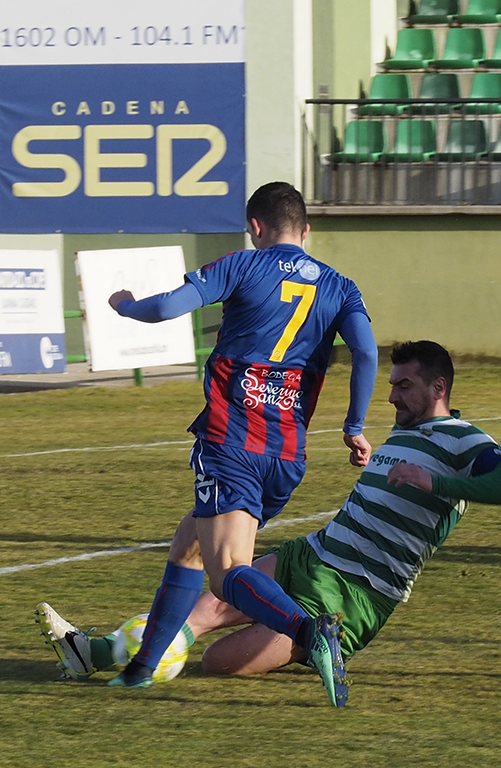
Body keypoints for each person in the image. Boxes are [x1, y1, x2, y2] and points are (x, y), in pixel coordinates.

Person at [35, 341, 501, 706]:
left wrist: (435, 482)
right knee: (208, 604)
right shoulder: (404, 433)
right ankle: (95, 653)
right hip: (312, 554)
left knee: (218, 662)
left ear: (438, 388)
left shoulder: (462, 439)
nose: (392, 397)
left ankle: (317, 642)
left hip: (356, 596)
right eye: (391, 386)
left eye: (404, 386)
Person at [100, 182, 379, 704]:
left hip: (232, 441)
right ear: (306, 230)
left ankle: (309, 631)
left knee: (228, 572)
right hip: (287, 453)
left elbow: (167, 308)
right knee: (189, 547)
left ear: (255, 227)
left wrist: (127, 306)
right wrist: (353, 425)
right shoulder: (341, 286)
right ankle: (141, 667)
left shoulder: (243, 265)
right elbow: (365, 352)